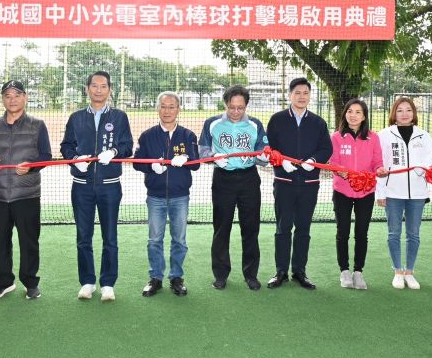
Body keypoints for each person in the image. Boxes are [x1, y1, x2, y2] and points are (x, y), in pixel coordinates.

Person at [61, 71, 133, 302]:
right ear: (87, 89)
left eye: (103, 86)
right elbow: (66, 146)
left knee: (110, 237)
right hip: (81, 186)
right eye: (94, 86)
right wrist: (75, 160)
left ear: (109, 90)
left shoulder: (119, 117)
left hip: (110, 186)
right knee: (84, 236)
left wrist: (113, 152)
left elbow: (128, 146)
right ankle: (87, 282)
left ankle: (108, 284)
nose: (98, 90)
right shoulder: (76, 118)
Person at [0, 80, 51, 301]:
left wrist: (31, 166)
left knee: (29, 242)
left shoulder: (37, 125)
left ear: (25, 97)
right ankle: (4, 283)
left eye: (17, 95)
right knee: (1, 241)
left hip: (27, 195)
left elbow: (46, 156)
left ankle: (30, 283)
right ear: (2, 99)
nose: (12, 100)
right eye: (8, 96)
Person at [265, 77, 332, 290]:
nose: (302, 97)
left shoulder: (318, 122)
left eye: (306, 93)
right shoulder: (277, 120)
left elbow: (326, 148)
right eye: (297, 93)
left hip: (309, 184)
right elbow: (269, 148)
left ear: (310, 96)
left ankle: (299, 272)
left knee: (303, 228)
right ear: (290, 95)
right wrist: (281, 162)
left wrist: (314, 160)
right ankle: (281, 272)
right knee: (283, 228)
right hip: (284, 182)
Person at [199, 85, 268, 291]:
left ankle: (251, 275)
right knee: (222, 228)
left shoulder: (255, 124)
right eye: (231, 107)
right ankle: (220, 275)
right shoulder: (212, 123)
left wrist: (263, 156)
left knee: (251, 228)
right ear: (225, 104)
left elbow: (263, 151)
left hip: (249, 179)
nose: (236, 112)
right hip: (223, 179)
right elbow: (202, 150)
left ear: (246, 106)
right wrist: (214, 157)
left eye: (240, 108)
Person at [132, 91, 200, 297]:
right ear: (158, 108)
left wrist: (186, 158)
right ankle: (156, 278)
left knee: (179, 240)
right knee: (154, 239)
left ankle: (176, 277)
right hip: (155, 196)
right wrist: (151, 166)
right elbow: (136, 162)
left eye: (172, 107)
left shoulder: (188, 135)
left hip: (180, 196)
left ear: (178, 109)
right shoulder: (147, 135)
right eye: (163, 106)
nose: (167, 111)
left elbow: (196, 164)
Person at [377, 97, 432, 290]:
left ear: (414, 113)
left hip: (418, 194)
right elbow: (379, 165)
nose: (404, 114)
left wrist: (423, 169)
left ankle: (409, 272)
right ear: (394, 113)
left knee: (414, 234)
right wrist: (380, 192)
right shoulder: (384, 135)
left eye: (409, 110)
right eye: (400, 110)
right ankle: (397, 271)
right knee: (394, 233)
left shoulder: (423, 136)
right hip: (393, 193)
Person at [329, 98, 386, 290]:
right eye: (350, 111)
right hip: (342, 191)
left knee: (362, 232)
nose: (353, 115)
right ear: (345, 114)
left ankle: (358, 271)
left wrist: (379, 169)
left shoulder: (373, 137)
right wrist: (341, 171)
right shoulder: (336, 137)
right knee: (343, 231)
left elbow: (377, 161)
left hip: (366, 191)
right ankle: (344, 271)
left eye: (358, 112)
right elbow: (333, 162)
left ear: (364, 117)